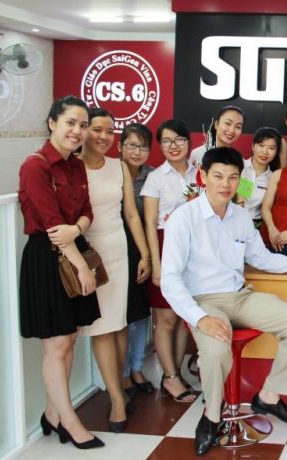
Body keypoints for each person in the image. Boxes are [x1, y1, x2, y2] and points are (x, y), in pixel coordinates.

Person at [160, 146, 287, 456]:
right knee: (215, 349)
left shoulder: (240, 216)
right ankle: (212, 416)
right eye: (218, 176)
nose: (225, 184)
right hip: (204, 301)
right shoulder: (184, 218)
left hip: (239, 296)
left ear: (240, 180)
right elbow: (170, 279)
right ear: (203, 176)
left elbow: (261, 258)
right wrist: (200, 318)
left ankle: (269, 396)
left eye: (233, 177)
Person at [18, 95, 103, 449]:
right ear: (52, 123)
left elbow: (87, 212)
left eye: (83, 125)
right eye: (70, 123)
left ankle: (52, 414)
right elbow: (53, 226)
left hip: (73, 247)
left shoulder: (76, 165)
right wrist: (81, 266)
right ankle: (70, 421)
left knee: (70, 338)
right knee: (56, 344)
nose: (77, 131)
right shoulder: (35, 166)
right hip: (48, 257)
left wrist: (77, 229)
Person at [78, 109, 152, 433]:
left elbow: (132, 215)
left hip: (119, 251)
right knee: (101, 328)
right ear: (84, 131)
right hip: (88, 253)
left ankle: (119, 384)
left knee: (120, 324)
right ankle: (116, 399)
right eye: (97, 129)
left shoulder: (118, 166)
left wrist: (145, 254)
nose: (104, 137)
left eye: (109, 131)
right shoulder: (72, 166)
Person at [141, 119, 199, 403]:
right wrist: (156, 263)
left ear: (188, 142)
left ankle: (175, 373)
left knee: (183, 315)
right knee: (165, 318)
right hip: (165, 245)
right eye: (167, 141)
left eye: (179, 140)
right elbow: (150, 223)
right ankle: (170, 376)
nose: (173, 146)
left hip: (193, 248)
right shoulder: (156, 178)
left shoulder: (199, 172)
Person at [118, 123, 157, 397]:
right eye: (131, 145)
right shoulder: (110, 171)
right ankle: (120, 374)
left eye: (143, 147)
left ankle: (136, 367)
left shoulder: (152, 176)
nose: (137, 151)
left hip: (143, 245)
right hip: (115, 246)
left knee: (142, 311)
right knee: (121, 315)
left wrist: (148, 254)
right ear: (120, 146)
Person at [236, 127, 281, 228]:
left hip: (256, 226)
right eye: (261, 145)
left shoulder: (273, 178)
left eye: (271, 148)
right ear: (253, 146)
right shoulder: (239, 166)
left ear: (276, 152)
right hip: (231, 220)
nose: (265, 151)